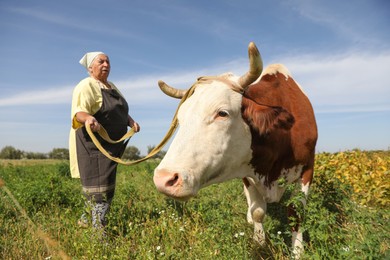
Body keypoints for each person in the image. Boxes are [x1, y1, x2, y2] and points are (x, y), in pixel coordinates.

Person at [69, 51, 140, 233]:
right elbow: (79, 112)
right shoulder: (86, 85)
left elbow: (120, 110)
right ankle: (98, 235)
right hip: (94, 146)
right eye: (101, 61)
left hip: (111, 146)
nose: (106, 64)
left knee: (106, 186)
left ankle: (85, 221)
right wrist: (88, 118)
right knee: (100, 191)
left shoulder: (112, 86)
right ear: (90, 67)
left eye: (108, 61)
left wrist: (130, 121)